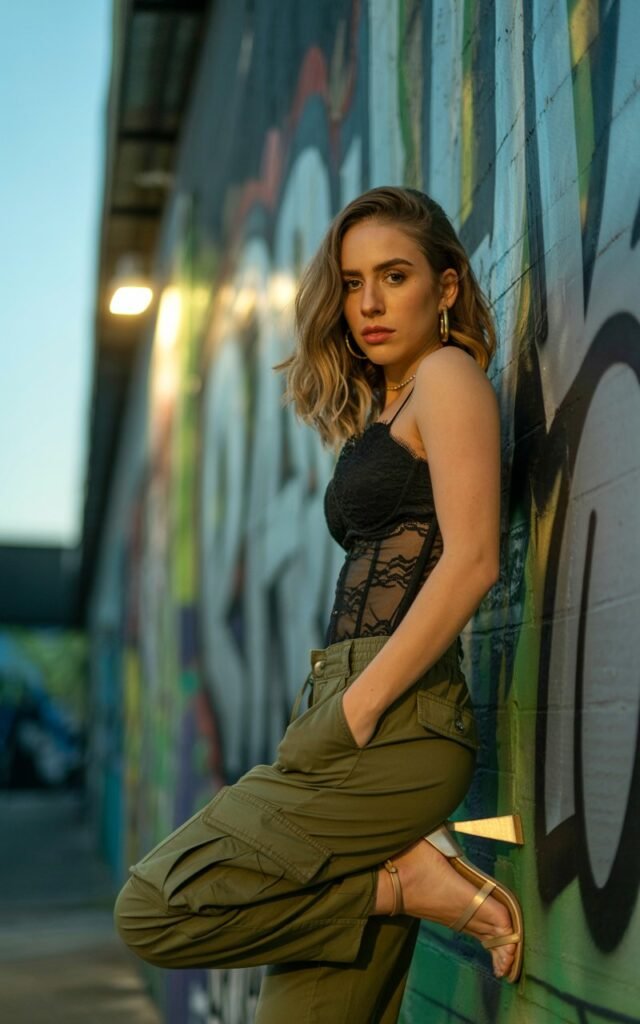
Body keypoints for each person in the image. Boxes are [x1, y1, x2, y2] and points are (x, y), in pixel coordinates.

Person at [113, 186, 524, 1022]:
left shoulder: (447, 377)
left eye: (395, 276)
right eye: (353, 281)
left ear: (446, 287)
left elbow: (474, 560)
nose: (368, 303)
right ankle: (395, 885)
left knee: (155, 907)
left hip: (390, 719)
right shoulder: (390, 402)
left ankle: (404, 885)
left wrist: (356, 709)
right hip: (351, 704)